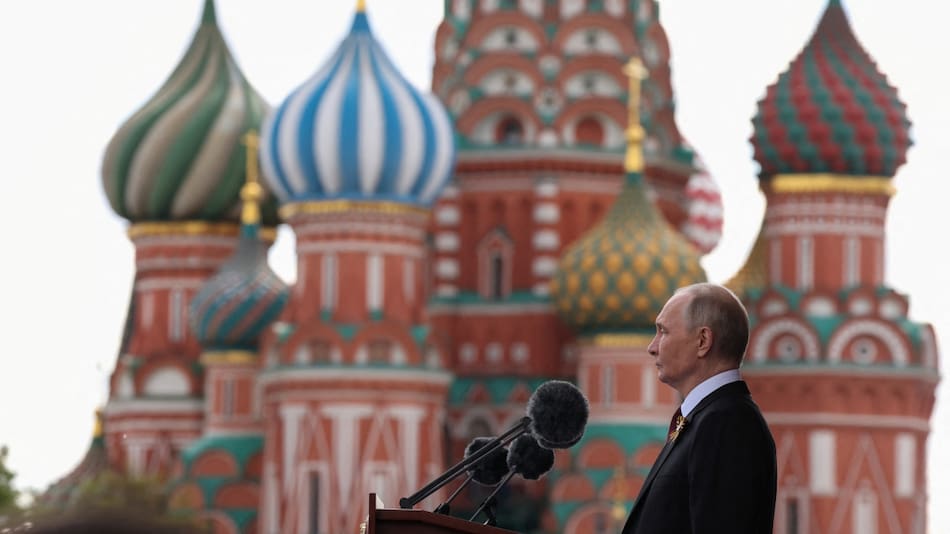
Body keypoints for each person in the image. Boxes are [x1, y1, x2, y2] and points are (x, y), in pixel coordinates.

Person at [622, 283, 777, 534]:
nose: (652, 346)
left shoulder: (727, 424)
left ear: (703, 341)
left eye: (663, 332)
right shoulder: (705, 419)